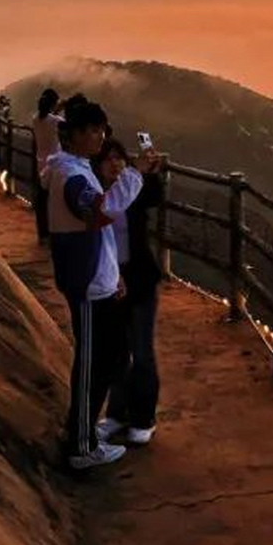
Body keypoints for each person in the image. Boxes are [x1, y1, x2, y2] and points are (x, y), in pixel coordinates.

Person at [43, 98, 155, 470]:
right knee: (92, 365)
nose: (100, 137)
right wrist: (134, 173)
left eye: (102, 130)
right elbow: (101, 211)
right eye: (93, 130)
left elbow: (98, 230)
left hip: (99, 279)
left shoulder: (77, 169)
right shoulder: (72, 176)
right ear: (74, 134)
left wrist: (113, 274)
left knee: (111, 357)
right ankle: (81, 445)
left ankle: (85, 433)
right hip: (87, 286)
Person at [97, 138, 166, 447]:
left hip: (139, 280)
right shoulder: (95, 196)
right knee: (115, 351)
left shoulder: (133, 188)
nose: (115, 164)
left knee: (141, 352)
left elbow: (155, 195)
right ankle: (117, 414)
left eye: (120, 159)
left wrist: (150, 171)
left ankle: (143, 417)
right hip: (109, 282)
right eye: (108, 159)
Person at [31, 88, 63, 241]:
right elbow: (69, 127)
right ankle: (53, 232)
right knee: (54, 201)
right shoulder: (56, 121)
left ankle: (42, 232)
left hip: (40, 163)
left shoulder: (35, 118)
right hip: (55, 165)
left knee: (42, 200)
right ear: (53, 104)